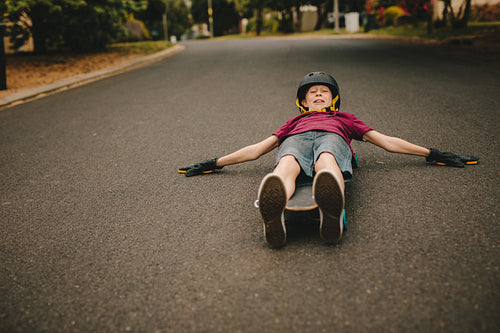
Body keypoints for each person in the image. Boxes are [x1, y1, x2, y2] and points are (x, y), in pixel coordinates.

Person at [179, 72, 478, 248]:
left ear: (333, 99)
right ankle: (276, 201)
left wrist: (433, 153)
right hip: (296, 141)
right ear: (303, 102)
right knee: (286, 164)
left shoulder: (344, 119)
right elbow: (257, 149)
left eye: (324, 92)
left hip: (332, 138)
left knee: (326, 158)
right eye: (313, 92)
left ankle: (330, 194)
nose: (319, 94)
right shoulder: (292, 123)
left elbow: (386, 141)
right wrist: (215, 162)